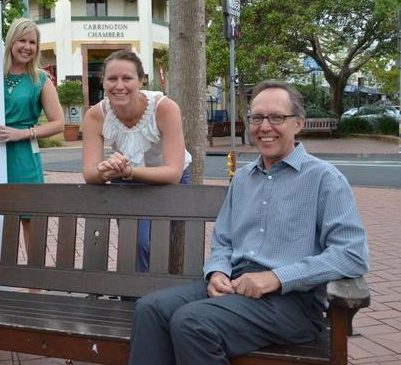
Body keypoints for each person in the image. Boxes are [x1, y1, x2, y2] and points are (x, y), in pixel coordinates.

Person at [128, 80, 370, 365]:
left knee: (192, 322)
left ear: (298, 123)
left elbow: (351, 254)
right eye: (256, 117)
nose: (264, 126)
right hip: (236, 285)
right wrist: (216, 271)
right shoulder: (243, 179)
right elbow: (223, 240)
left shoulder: (325, 179)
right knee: (150, 308)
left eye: (277, 117)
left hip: (292, 304)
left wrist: (277, 278)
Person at [82, 49, 192, 272]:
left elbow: (173, 172)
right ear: (102, 81)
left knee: (150, 244)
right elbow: (89, 173)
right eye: (112, 78)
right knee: (133, 245)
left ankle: (147, 301)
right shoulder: (95, 115)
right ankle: (134, 300)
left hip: (168, 181)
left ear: (141, 80)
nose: (119, 85)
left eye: (127, 78)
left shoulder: (164, 108)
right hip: (127, 181)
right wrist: (107, 169)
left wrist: (128, 171)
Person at [0, 18, 65, 250]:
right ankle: (4, 280)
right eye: (22, 40)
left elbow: (59, 123)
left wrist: (22, 134)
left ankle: (35, 285)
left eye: (33, 42)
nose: (27, 47)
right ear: (11, 41)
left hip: (23, 155)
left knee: (30, 219)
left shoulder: (40, 79)